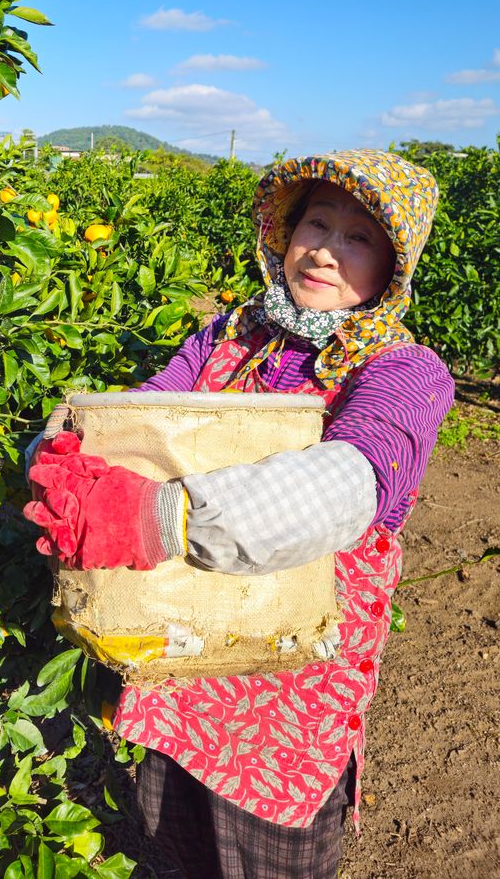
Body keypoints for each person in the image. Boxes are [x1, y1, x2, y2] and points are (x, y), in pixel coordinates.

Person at [25, 150, 455, 879]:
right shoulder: (231, 336)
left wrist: (161, 517)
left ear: (392, 269)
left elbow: (347, 484)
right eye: (316, 223)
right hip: (183, 664)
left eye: (359, 238)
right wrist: (62, 449)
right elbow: (139, 412)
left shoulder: (404, 372)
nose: (325, 248)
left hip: (287, 705)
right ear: (283, 234)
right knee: (172, 848)